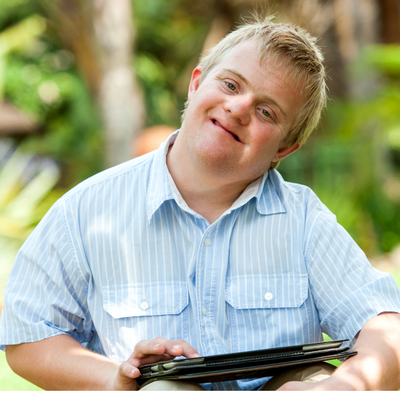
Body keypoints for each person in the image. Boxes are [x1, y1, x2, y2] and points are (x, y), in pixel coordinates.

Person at [1, 14, 400, 391]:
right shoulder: (86, 211)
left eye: (266, 111)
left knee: (314, 376)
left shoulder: (305, 221)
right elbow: (28, 336)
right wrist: (115, 378)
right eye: (230, 85)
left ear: (287, 147)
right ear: (195, 84)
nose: (239, 108)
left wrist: (344, 387)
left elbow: (386, 327)